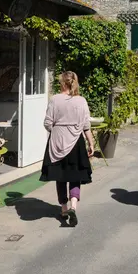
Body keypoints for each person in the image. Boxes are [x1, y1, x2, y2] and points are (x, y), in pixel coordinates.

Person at [40, 71, 95, 227]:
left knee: (61, 176)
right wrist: (91, 143)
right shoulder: (82, 101)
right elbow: (86, 126)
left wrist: (58, 130)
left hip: (57, 144)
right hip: (76, 144)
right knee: (75, 176)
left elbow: (47, 123)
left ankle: (63, 208)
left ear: (63, 83)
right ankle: (73, 206)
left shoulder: (54, 100)